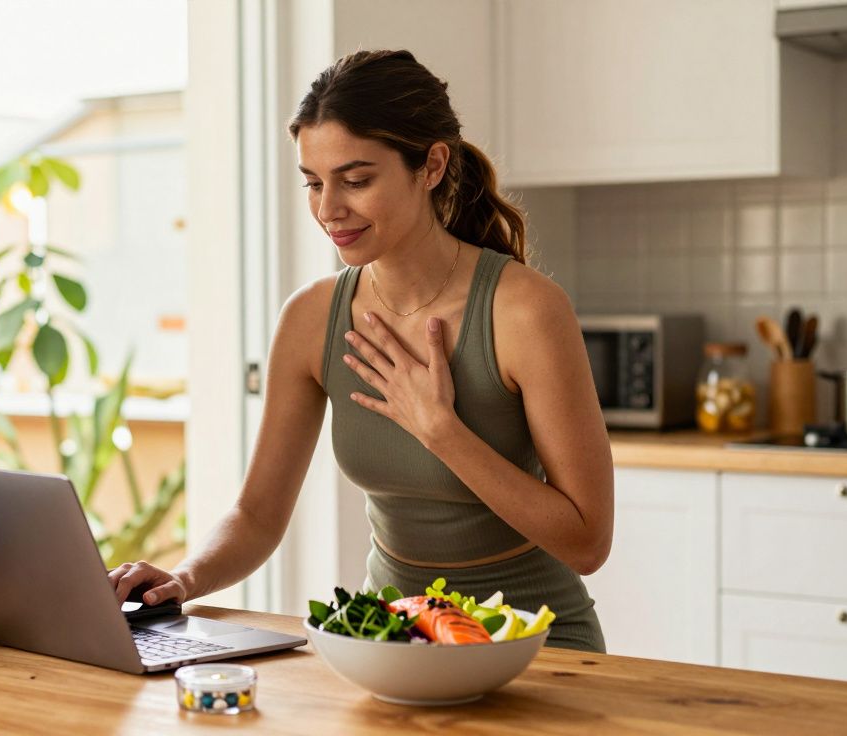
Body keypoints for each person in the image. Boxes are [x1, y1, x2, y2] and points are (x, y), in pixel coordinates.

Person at [109, 49, 613, 652]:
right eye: (314, 184)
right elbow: (257, 515)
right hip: (389, 646)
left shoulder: (524, 311)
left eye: (356, 180)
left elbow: (587, 542)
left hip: (535, 645)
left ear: (430, 166)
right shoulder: (310, 318)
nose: (328, 210)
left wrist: (441, 431)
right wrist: (183, 580)